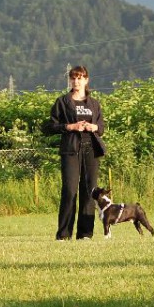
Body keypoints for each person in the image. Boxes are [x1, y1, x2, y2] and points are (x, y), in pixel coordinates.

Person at [45, 65, 105, 240]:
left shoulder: (94, 103)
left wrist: (94, 127)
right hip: (70, 150)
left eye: (80, 78)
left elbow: (101, 127)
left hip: (91, 150)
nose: (76, 81)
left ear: (86, 80)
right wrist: (70, 126)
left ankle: (85, 234)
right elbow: (50, 126)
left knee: (89, 192)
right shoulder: (63, 102)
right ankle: (64, 234)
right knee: (70, 191)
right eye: (73, 78)